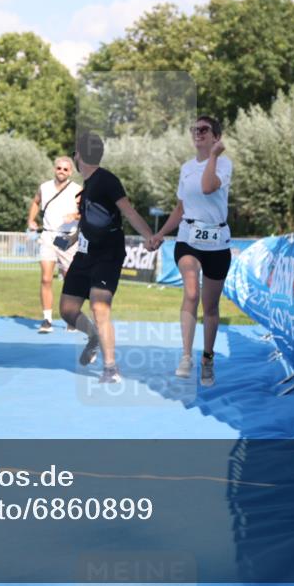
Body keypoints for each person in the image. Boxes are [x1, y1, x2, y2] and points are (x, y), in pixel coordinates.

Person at [59, 133, 154, 383]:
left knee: (99, 307)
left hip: (107, 254)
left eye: (75, 152)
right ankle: (93, 336)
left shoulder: (107, 180)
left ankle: (111, 369)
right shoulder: (88, 184)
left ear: (80, 155)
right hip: (84, 253)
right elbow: (90, 220)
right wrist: (72, 238)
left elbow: (129, 212)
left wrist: (149, 236)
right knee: (67, 310)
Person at [148, 116, 233, 385]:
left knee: (210, 306)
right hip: (188, 237)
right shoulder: (186, 168)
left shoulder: (224, 164)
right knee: (192, 292)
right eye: (194, 129)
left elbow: (208, 187)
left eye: (204, 129)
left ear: (216, 137)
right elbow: (180, 208)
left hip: (217, 241)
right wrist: (161, 234)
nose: (198, 133)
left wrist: (214, 156)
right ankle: (186, 356)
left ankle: (207, 358)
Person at [27, 156, 81, 333]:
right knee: (46, 278)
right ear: (54, 169)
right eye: (59, 168)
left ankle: (71, 317)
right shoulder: (44, 187)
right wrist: (31, 220)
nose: (62, 171)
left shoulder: (77, 190)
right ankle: (47, 320)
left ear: (70, 172)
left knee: (70, 280)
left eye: (65, 169)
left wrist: (74, 216)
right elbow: (36, 202)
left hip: (67, 238)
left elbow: (86, 212)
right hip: (48, 235)